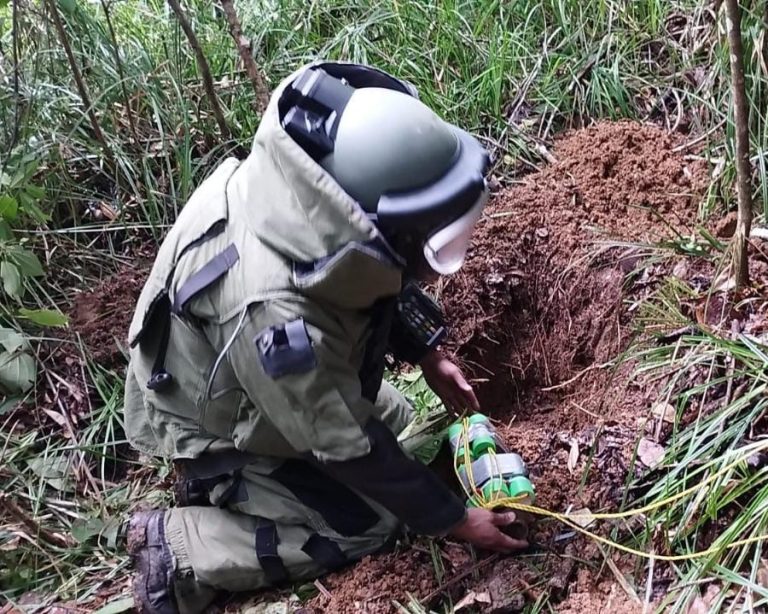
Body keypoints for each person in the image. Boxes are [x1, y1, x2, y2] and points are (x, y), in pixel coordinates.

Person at [123, 61, 526, 614]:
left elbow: (374, 269)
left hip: (235, 363)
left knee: (398, 416)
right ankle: (183, 546)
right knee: (368, 523)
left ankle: (262, 485)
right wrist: (454, 520)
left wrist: (426, 348)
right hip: (208, 417)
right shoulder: (278, 318)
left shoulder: (310, 190)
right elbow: (346, 443)